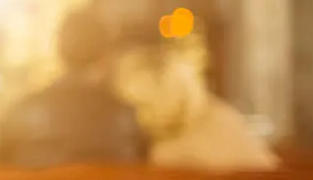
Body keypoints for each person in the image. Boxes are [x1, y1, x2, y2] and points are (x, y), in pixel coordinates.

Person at [0, 7, 149, 169]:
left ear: (59, 49)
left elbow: (2, 169)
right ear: (105, 53)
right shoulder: (128, 120)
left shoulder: (21, 114)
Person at [114, 33, 278, 171]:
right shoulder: (220, 117)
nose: (141, 117)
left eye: (145, 105)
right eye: (138, 107)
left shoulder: (214, 129)